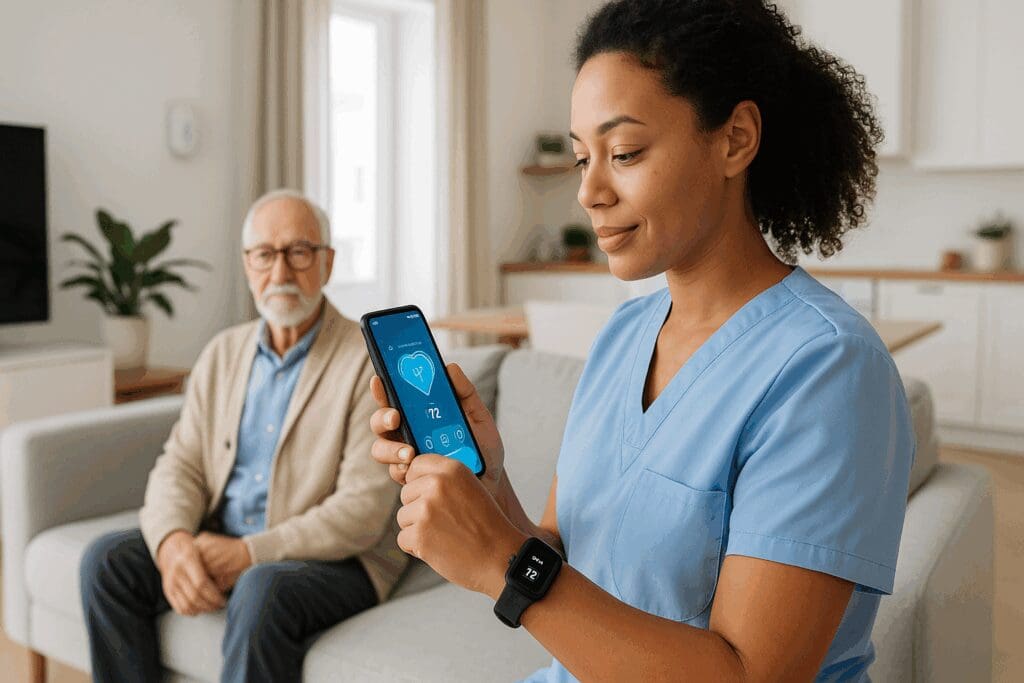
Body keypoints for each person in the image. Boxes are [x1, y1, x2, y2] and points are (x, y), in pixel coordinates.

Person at [368, 1, 914, 681]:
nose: (589, 191)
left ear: (735, 139)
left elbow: (750, 674)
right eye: (581, 158)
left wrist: (503, 562)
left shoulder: (829, 370)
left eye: (623, 153)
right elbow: (565, 559)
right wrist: (491, 493)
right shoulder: (625, 335)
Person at [80, 190, 405, 683]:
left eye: (299, 252)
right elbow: (181, 464)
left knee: (261, 587)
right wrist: (172, 542)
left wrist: (251, 552)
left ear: (328, 262)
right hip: (227, 536)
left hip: (338, 560)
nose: (281, 272)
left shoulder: (368, 363)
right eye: (265, 255)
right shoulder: (222, 353)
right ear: (247, 265)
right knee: (107, 562)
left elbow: (361, 512)